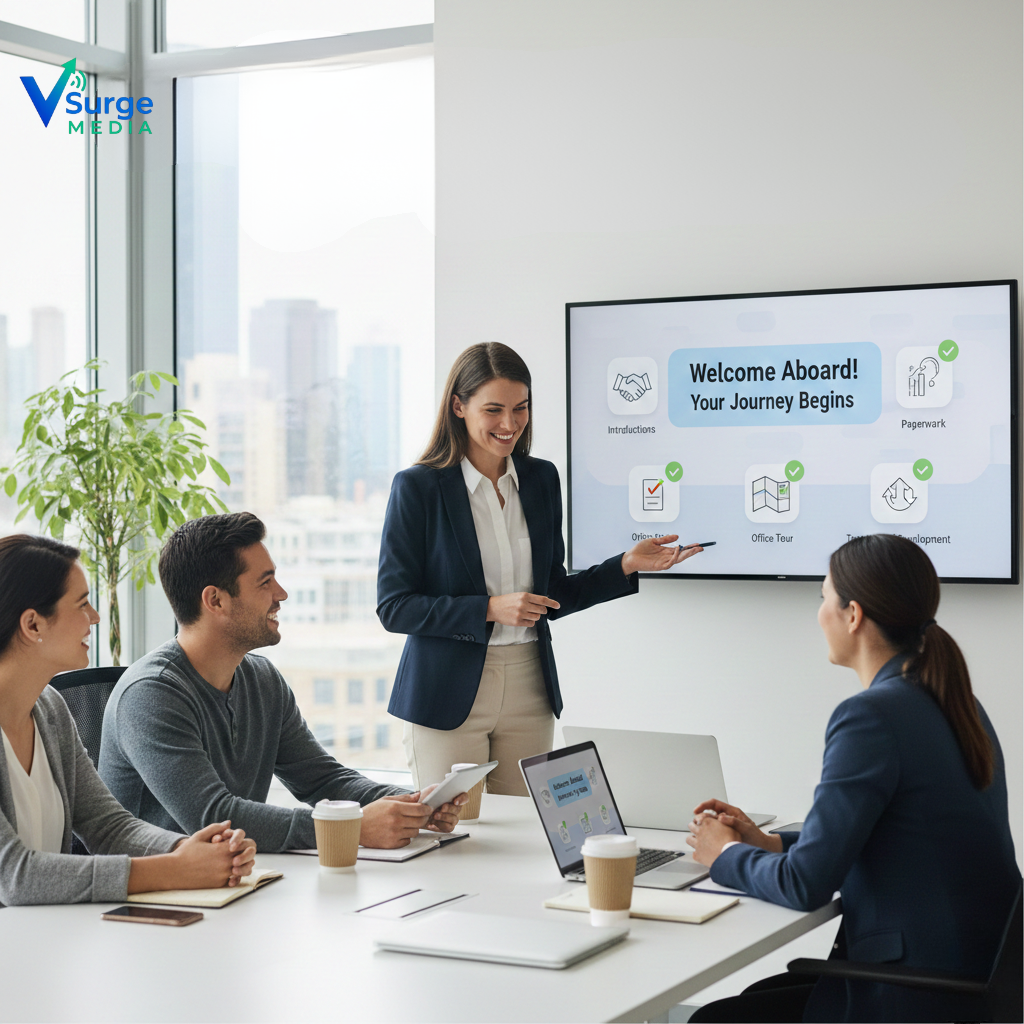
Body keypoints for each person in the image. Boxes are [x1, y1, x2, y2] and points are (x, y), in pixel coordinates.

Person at [685, 535, 1020, 1023]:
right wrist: (772, 842)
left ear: (853, 615)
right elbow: (898, 831)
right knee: (753, 998)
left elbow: (806, 886)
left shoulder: (871, 716)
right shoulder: (955, 699)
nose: (819, 613)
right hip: (972, 979)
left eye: (823, 597)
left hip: (911, 992)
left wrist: (725, 855)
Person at [377, 342, 705, 795]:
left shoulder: (541, 480)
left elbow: (552, 593)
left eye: (521, 408)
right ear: (459, 405)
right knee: (448, 836)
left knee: (530, 837)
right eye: (493, 410)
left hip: (530, 685)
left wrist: (626, 564)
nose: (509, 424)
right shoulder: (417, 488)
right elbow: (395, 607)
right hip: (445, 691)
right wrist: (489, 609)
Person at [99, 513, 465, 853]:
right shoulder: (150, 695)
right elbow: (213, 816)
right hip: (153, 901)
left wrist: (413, 803)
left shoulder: (261, 679)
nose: (282, 594)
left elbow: (323, 780)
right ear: (216, 600)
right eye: (265, 582)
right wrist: (348, 827)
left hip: (229, 882)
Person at [0, 534, 256, 906]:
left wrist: (193, 849)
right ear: (33, 625)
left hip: (44, 941)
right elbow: (15, 878)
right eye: (82, 604)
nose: (96, 617)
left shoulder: (50, 710)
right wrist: (175, 870)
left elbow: (108, 826)